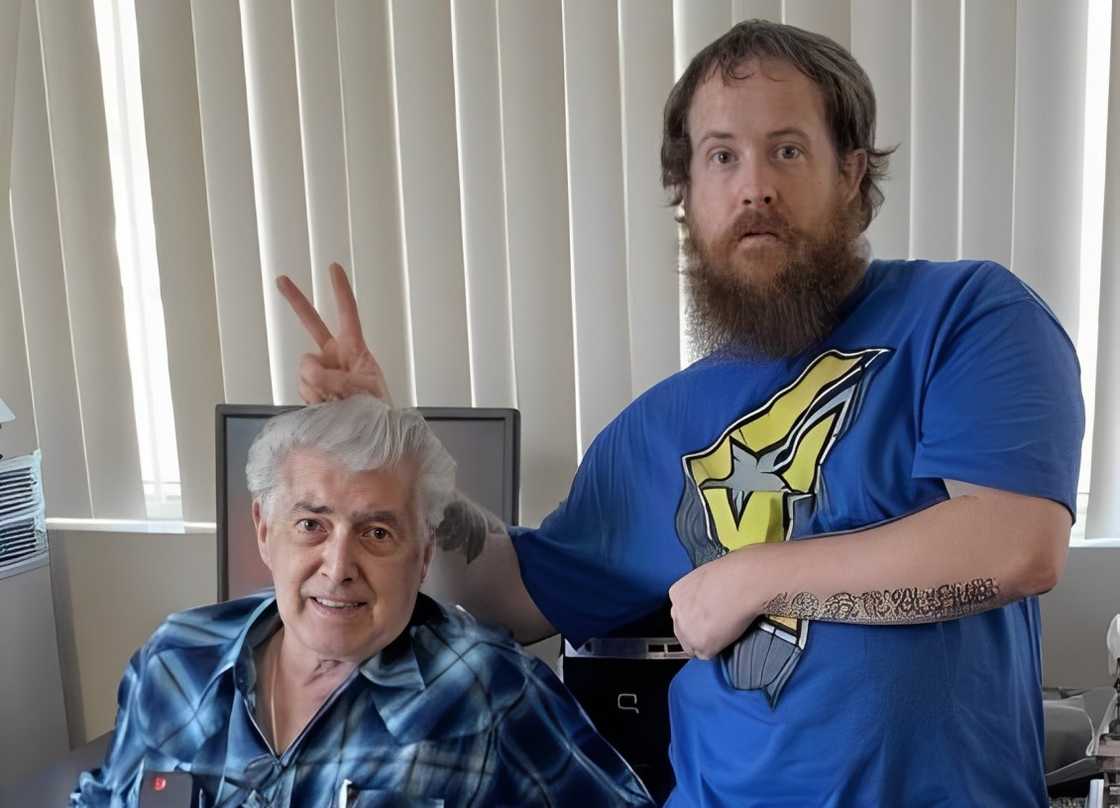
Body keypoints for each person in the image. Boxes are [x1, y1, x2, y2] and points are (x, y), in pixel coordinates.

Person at [278, 20, 1084, 807]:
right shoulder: (655, 429)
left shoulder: (968, 314)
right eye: (722, 157)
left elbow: (1014, 545)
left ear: (851, 175)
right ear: (688, 197)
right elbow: (506, 595)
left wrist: (757, 578)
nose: (754, 185)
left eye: (788, 150)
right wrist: (390, 448)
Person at [71, 395, 653, 807]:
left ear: (423, 556)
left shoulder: (489, 690)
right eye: (310, 525)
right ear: (264, 530)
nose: (339, 568)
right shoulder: (175, 661)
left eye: (377, 533)